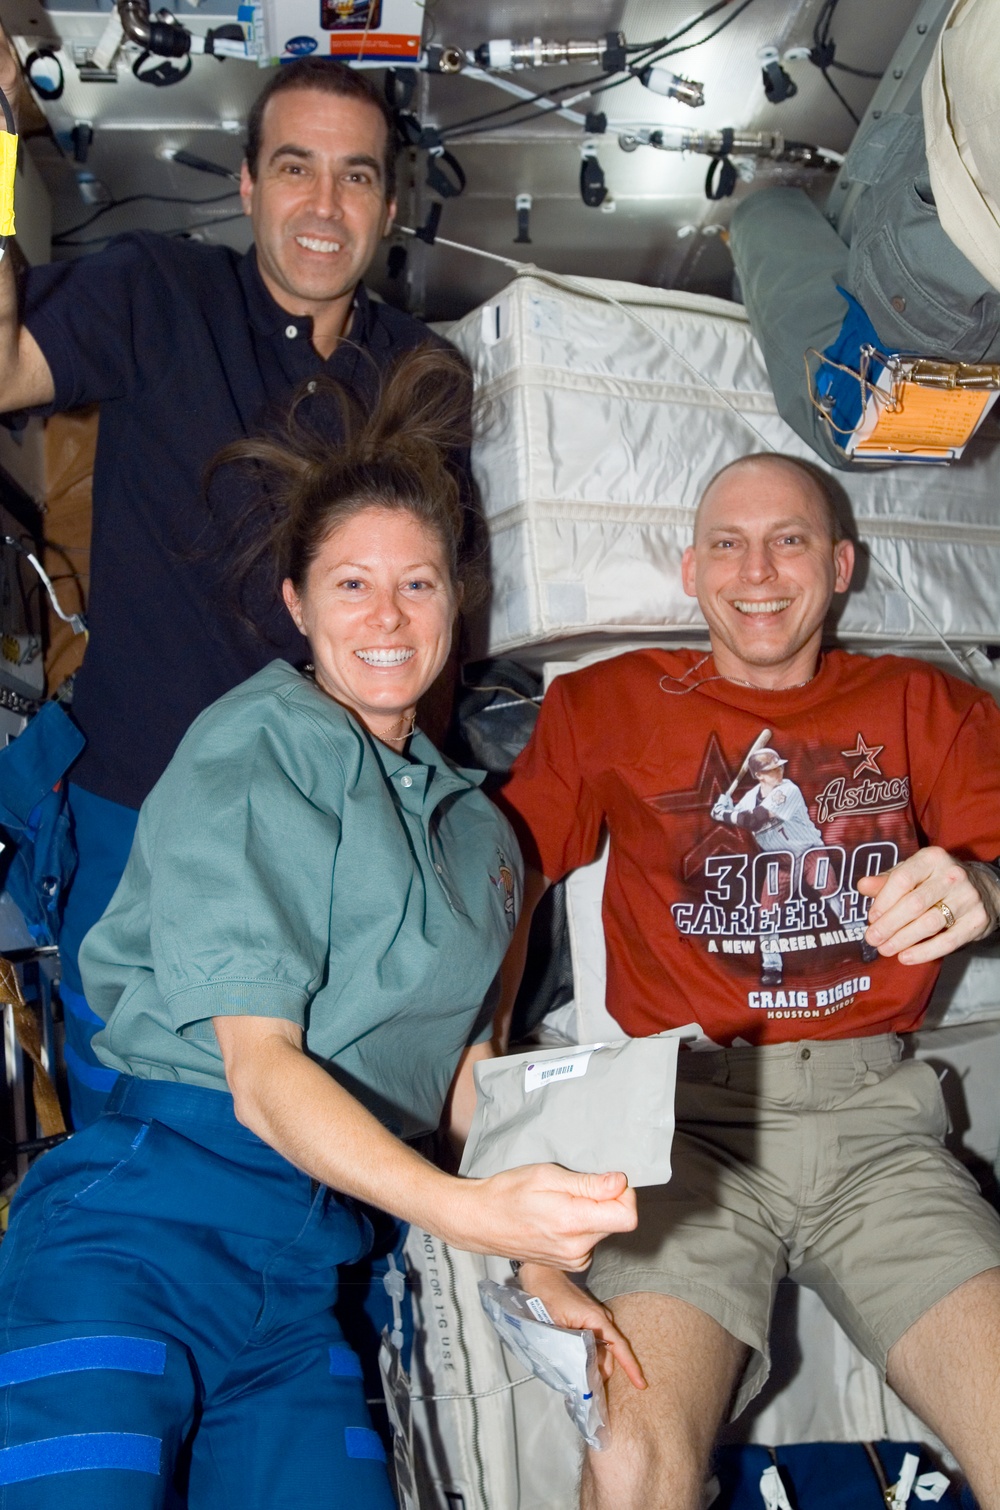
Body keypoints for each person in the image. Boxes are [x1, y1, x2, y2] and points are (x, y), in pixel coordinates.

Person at [0, 347, 639, 1509]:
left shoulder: (488, 841)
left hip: (302, 1287)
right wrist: (466, 1210)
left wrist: (534, 1256)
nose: (387, 616)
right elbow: (258, 1070)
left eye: (419, 583)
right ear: (296, 605)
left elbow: (467, 1080)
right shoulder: (266, 740)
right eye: (350, 584)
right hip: (145, 1232)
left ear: (458, 601)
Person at [497, 452, 1000, 1510]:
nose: (756, 570)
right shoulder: (606, 703)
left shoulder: (926, 706)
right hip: (685, 1132)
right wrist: (483, 1074)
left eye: (790, 540)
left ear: (841, 564)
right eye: (726, 542)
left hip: (878, 1133)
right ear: (690, 569)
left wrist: (988, 892)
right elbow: (502, 885)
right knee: (631, 1462)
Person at [0, 38, 462, 1121]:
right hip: (141, 806)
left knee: (332, 1122)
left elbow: (428, 605)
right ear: (248, 184)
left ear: (389, 205)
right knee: (141, 1119)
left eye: (356, 175)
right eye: (295, 166)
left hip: (338, 824)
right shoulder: (158, 291)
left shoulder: (418, 370)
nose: (323, 201)